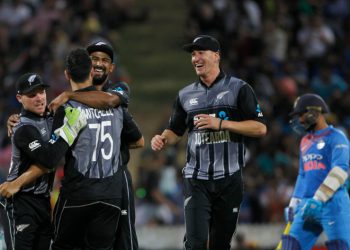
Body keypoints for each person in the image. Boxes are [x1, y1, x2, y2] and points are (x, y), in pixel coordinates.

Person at [151, 35, 267, 250]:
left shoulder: (239, 89)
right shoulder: (185, 95)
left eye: (200, 52)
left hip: (230, 180)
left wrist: (222, 124)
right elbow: (175, 130)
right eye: (193, 54)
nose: (195, 58)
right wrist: (162, 138)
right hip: (197, 180)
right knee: (195, 243)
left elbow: (260, 128)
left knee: (220, 244)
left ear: (216, 56)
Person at [48, 41, 143, 250]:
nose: (99, 63)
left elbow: (139, 140)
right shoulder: (77, 104)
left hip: (115, 177)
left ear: (111, 68)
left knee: (125, 238)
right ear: (88, 67)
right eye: (95, 59)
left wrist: (69, 94)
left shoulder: (116, 94)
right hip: (102, 191)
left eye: (105, 60)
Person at [0, 72, 86, 250]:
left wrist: (67, 98)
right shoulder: (22, 128)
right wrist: (69, 131)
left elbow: (83, 104)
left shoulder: (51, 118)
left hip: (44, 203)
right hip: (20, 203)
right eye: (32, 95)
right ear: (19, 98)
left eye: (41, 92)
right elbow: (49, 159)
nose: (39, 98)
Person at [282, 93, 350, 250]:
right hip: (307, 205)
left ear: (315, 111)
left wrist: (319, 199)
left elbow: (340, 171)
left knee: (340, 247)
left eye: (301, 114)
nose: (299, 120)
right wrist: (294, 201)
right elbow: (303, 174)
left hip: (333, 203)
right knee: (290, 246)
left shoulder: (337, 137)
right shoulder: (305, 141)